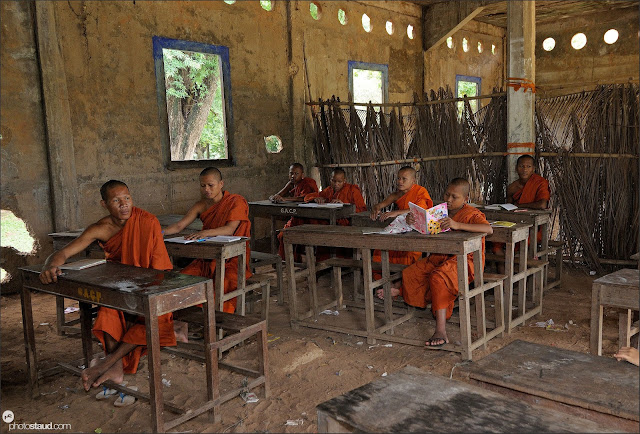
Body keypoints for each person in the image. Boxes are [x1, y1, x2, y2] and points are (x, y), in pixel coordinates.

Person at [39, 180, 177, 392]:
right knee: (107, 315)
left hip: (149, 285)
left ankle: (107, 363)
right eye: (116, 200)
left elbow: (160, 269)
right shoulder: (100, 228)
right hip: (117, 286)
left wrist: (147, 287)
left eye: (127, 199)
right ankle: (116, 365)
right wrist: (50, 264)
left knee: (154, 316)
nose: (124, 205)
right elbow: (65, 252)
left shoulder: (148, 221)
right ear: (104, 204)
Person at [383, 178, 492, 348]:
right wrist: (412, 221)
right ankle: (402, 291)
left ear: (466, 198)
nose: (448, 199)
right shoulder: (440, 212)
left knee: (438, 278)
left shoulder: (472, 214)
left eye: (454, 197)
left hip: (465, 260)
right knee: (412, 272)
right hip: (440, 256)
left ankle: (440, 330)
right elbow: (426, 228)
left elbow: (488, 229)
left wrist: (456, 224)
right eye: (446, 194)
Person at [163, 167, 251, 314]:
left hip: (233, 259)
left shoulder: (235, 201)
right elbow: (179, 226)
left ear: (221, 184)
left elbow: (229, 229)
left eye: (211, 185)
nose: (206, 190)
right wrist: (158, 233)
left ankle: (218, 321)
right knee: (182, 280)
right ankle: (191, 318)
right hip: (206, 258)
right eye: (203, 186)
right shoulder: (201, 205)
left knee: (224, 283)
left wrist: (205, 233)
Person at [369, 166, 433, 271]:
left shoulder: (420, 191)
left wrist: (395, 213)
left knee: (407, 253)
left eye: (404, 179)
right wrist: (375, 209)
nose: (400, 181)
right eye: (398, 178)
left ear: (413, 181)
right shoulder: (397, 194)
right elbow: (380, 205)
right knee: (381, 248)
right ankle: (384, 279)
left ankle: (401, 281)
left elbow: (419, 211)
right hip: (402, 229)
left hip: (416, 230)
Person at [304, 167, 367, 260]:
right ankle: (325, 263)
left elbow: (362, 210)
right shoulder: (329, 190)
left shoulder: (352, 190)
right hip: (331, 223)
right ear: (330, 180)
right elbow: (307, 197)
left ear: (344, 181)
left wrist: (344, 205)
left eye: (339, 182)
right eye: (333, 181)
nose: (336, 184)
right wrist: (315, 199)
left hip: (348, 225)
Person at [272, 163, 319, 259]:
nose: (293, 176)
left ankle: (294, 259)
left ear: (302, 175)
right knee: (282, 235)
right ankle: (289, 260)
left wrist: (285, 199)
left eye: (296, 174)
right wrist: (274, 197)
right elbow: (279, 194)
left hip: (308, 218)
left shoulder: (307, 183)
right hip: (296, 217)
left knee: (288, 235)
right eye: (291, 173)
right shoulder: (291, 183)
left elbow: (304, 198)